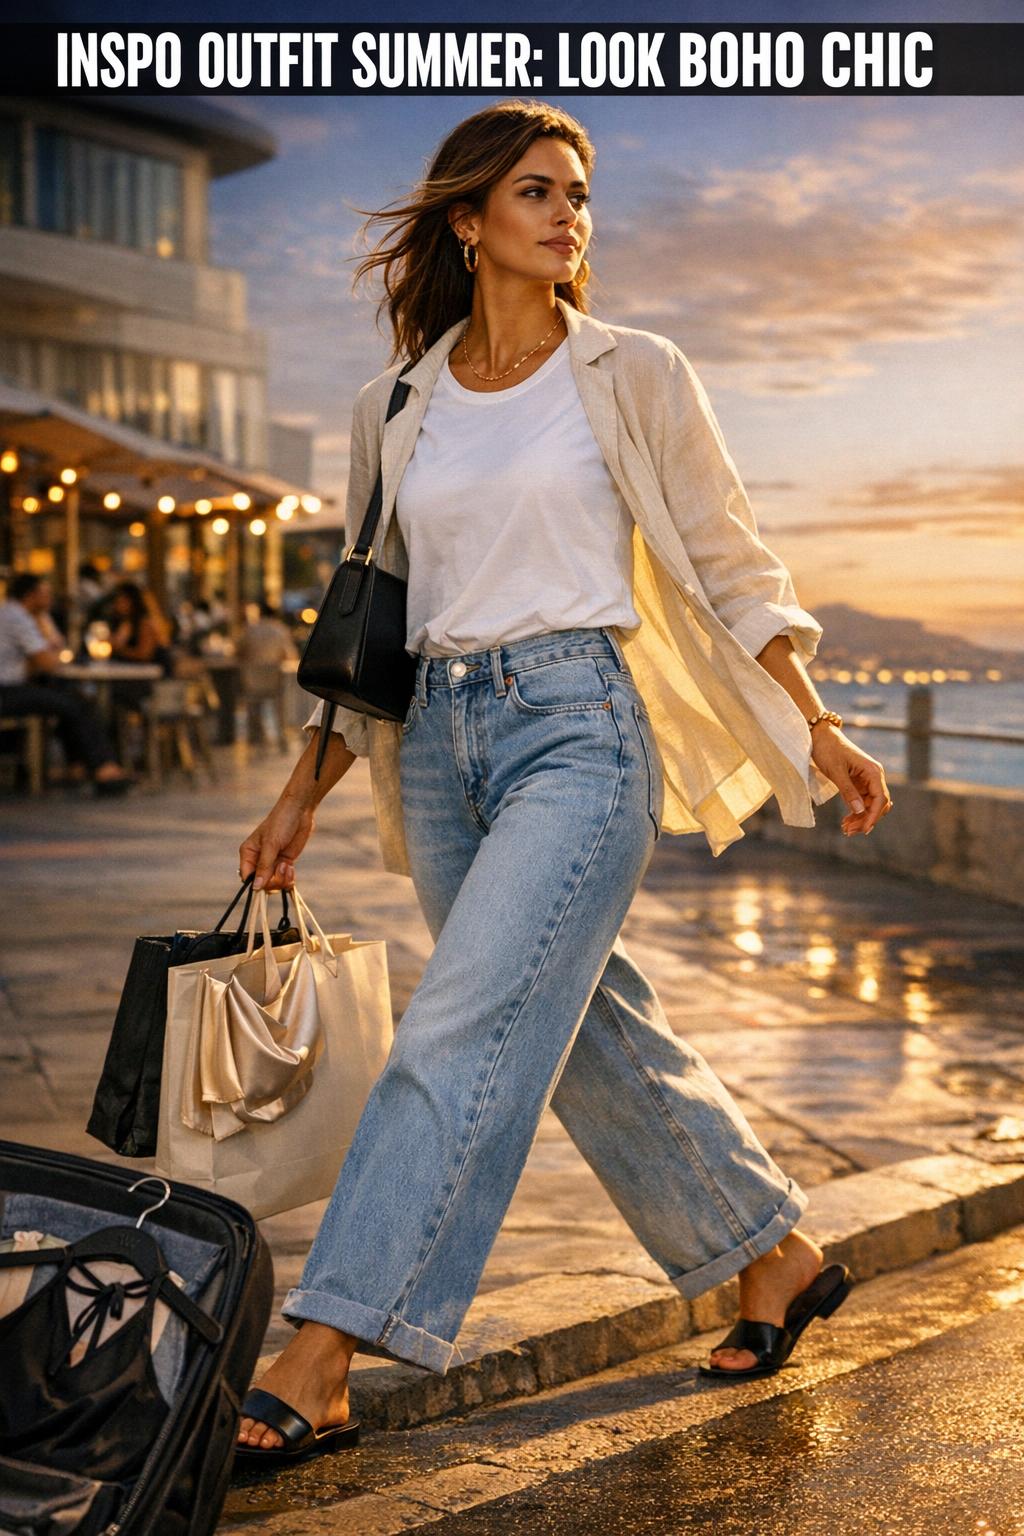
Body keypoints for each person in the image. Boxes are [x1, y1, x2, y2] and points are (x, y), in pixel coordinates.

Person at [235, 100, 894, 1462]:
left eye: (579, 194)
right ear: (469, 223)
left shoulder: (633, 372)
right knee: (587, 1024)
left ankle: (327, 1344)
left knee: (463, 1026)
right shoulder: (397, 404)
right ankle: (770, 1255)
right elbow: (371, 616)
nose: (569, 214)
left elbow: (728, 557)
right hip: (437, 751)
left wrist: (816, 721)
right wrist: (301, 791)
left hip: (577, 732)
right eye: (537, 191)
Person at [0, 573, 131, 794]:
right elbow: (48, 661)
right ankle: (103, 768)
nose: (50, 598)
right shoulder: (17, 616)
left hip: (14, 687)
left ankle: (79, 766)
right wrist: (51, 651)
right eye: (45, 594)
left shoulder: (16, 613)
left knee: (68, 698)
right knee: (75, 702)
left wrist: (43, 624)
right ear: (31, 595)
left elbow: (46, 654)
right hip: (7, 691)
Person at [237, 601, 299, 748]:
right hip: (273, 680)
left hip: (252, 680)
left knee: (253, 702)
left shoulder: (249, 630)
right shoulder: (280, 630)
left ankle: (255, 736)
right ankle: (282, 735)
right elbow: (290, 655)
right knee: (282, 699)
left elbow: (238, 651)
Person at [106, 581, 174, 671]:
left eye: (122, 601)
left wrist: (117, 649)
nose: (117, 605)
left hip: (152, 677)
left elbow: (144, 655)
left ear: (133, 602)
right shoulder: (125, 623)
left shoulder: (146, 623)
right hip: (131, 672)